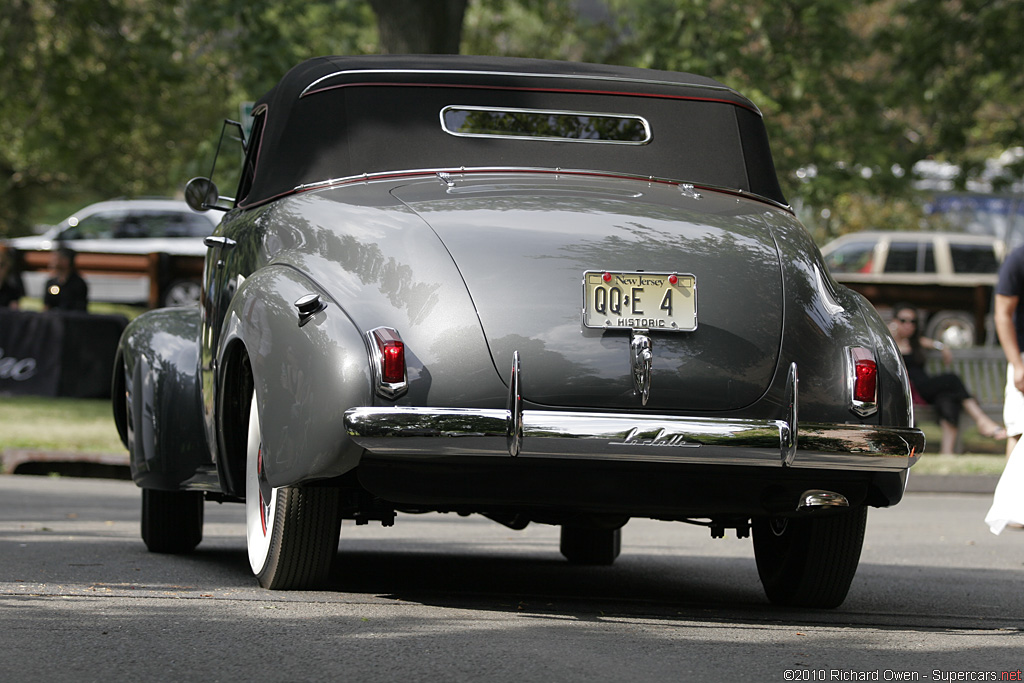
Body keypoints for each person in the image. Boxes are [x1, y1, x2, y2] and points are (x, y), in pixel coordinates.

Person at [891, 304, 1006, 454]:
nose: (908, 325)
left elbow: (935, 344)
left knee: (947, 398)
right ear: (895, 321)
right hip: (912, 390)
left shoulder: (915, 342)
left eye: (913, 322)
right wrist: (890, 332)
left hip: (927, 388)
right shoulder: (889, 343)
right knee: (952, 379)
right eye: (903, 320)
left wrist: (942, 347)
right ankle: (982, 421)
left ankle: (947, 452)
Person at [995, 243, 1024, 457]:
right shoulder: (1019, 258)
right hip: (1023, 354)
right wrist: (1017, 365)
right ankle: (1015, 490)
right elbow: (1003, 314)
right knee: (1019, 431)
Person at [43, 246, 88, 312]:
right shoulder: (51, 283)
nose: (52, 262)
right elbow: (47, 306)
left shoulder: (78, 284)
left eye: (56, 259)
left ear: (66, 261)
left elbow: (79, 309)